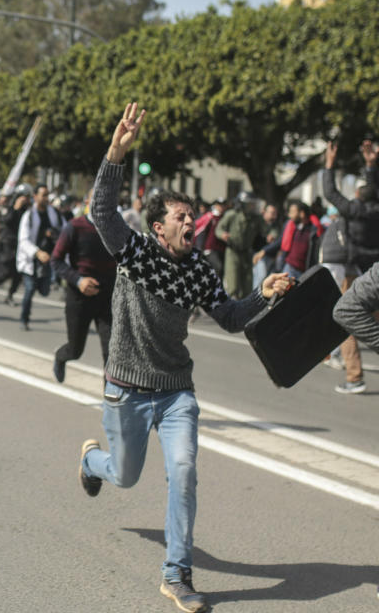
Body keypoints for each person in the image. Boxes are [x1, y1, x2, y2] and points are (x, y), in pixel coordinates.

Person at [81, 103, 293, 613]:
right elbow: (101, 212)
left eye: (191, 215)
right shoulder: (134, 253)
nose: (190, 221)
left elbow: (230, 317)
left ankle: (177, 574)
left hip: (176, 390)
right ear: (158, 228)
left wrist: (262, 294)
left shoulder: (200, 268)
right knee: (125, 476)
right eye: (180, 216)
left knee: (184, 468)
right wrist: (115, 154)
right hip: (127, 388)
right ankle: (91, 460)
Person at [320, 140, 379, 394]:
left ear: (357, 194)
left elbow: (330, 192)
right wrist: (370, 165)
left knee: (347, 314)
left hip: (354, 270)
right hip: (369, 268)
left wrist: (329, 164)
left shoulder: (353, 210)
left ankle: (354, 377)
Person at [49, 187, 116, 382]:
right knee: (75, 349)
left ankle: (110, 404)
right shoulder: (74, 226)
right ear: (88, 202)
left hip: (107, 297)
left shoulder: (116, 229)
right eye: (98, 199)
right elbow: (56, 260)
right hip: (80, 297)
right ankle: (61, 357)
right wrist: (78, 280)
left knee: (112, 352)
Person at [16, 184, 60, 330]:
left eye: (48, 195)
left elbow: (63, 230)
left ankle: (41, 287)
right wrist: (37, 252)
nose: (47, 198)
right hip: (32, 260)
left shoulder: (53, 213)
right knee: (29, 289)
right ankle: (24, 318)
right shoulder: (28, 215)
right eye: (44, 195)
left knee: (45, 291)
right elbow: (23, 240)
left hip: (47, 260)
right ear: (35, 196)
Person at [253, 200, 322, 279]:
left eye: (293, 212)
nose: (290, 215)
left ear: (302, 214)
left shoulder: (313, 230)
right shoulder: (290, 226)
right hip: (289, 268)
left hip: (305, 271)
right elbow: (280, 242)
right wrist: (264, 251)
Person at [0, 185, 30, 304]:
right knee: (6, 270)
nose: (25, 199)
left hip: (21, 244)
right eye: (23, 197)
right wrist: (16, 208)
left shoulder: (28, 210)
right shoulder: (10, 208)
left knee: (18, 272)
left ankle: (10, 295)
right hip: (8, 243)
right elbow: (6, 221)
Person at [216, 191, 263, 299]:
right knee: (233, 284)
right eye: (250, 204)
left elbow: (267, 229)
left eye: (253, 204)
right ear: (242, 204)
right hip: (233, 253)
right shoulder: (231, 215)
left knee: (247, 284)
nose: (252, 206)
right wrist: (223, 234)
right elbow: (219, 229)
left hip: (247, 253)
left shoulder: (256, 218)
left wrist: (271, 235)